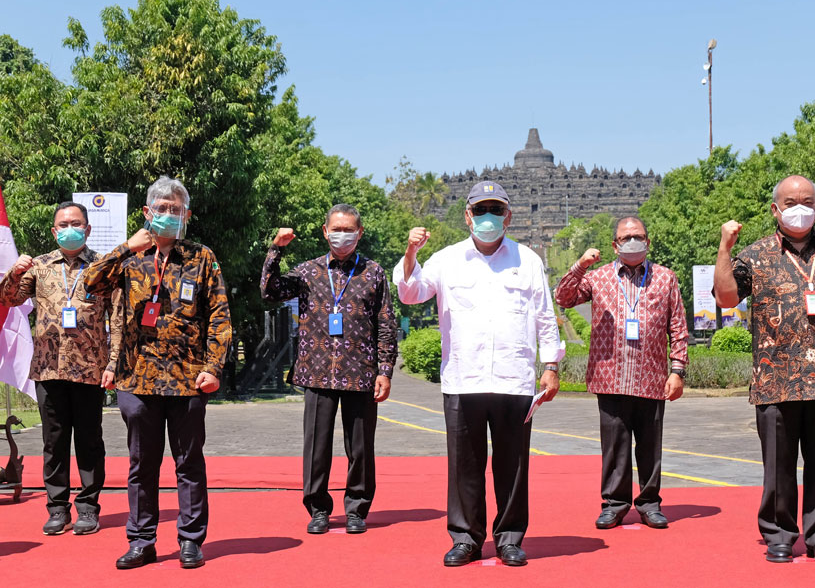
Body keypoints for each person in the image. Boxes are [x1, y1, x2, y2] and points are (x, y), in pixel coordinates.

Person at [393, 181, 563, 568]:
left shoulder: (528, 260)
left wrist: (551, 365)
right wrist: (411, 252)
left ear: (508, 216)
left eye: (496, 209)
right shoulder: (446, 259)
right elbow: (410, 292)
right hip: (463, 379)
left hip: (513, 379)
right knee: (464, 466)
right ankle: (466, 538)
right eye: (481, 209)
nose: (488, 217)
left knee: (513, 466)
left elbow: (545, 317)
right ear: (468, 215)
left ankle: (509, 539)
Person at [713, 175, 815, 565]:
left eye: (807, 201)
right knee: (778, 467)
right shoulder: (755, 254)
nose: (798, 208)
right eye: (790, 201)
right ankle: (779, 534)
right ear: (775, 209)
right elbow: (726, 297)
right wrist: (724, 247)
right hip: (774, 381)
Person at [84, 176, 231, 570]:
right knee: (141, 466)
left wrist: (213, 367)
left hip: (188, 380)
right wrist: (124, 248)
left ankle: (190, 540)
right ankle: (141, 540)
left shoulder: (201, 257)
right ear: (147, 213)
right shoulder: (129, 259)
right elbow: (90, 284)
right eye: (161, 208)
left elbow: (219, 316)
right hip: (137, 379)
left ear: (186, 215)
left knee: (189, 465)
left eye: (175, 209)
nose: (168, 215)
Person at [261, 204, 397, 535]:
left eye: (349, 230)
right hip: (316, 370)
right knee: (316, 444)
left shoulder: (374, 273)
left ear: (359, 233)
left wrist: (385, 369)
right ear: (325, 231)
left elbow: (385, 322)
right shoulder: (307, 272)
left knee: (360, 446)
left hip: (360, 373)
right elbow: (269, 291)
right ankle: (318, 508)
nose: (342, 235)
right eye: (336, 229)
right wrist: (276, 250)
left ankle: (357, 508)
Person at [554, 216, 687, 530]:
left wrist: (677, 370)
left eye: (638, 236)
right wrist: (579, 266)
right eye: (626, 237)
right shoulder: (598, 278)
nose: (632, 241)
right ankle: (614, 504)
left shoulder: (666, 278)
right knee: (614, 446)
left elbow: (678, 328)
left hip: (652, 375)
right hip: (610, 375)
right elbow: (563, 297)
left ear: (648, 242)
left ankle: (649, 503)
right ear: (614, 245)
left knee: (650, 444)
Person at [0, 201, 121, 536]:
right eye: (63, 224)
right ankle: (57, 508)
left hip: (89, 369)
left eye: (76, 223)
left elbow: (118, 318)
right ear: (54, 231)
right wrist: (15, 272)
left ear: (88, 228)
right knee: (53, 442)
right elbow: (7, 299)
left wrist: (114, 362)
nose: (70, 228)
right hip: (48, 368)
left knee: (89, 440)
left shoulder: (102, 267)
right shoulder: (39, 266)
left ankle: (88, 508)